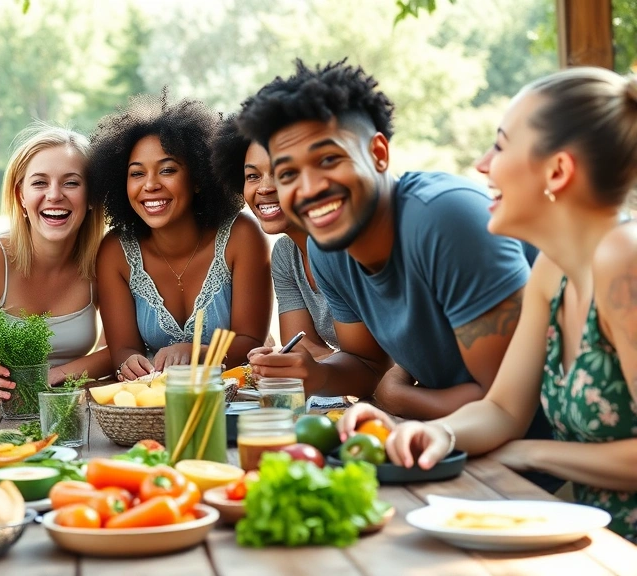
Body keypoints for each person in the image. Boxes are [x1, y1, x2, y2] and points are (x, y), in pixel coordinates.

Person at [342, 68, 637, 541]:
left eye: (500, 146)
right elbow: (502, 408)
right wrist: (443, 435)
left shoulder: (626, 260)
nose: (482, 164)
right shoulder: (552, 270)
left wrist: (530, 453)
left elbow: (517, 437)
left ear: (557, 171)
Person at [236, 60, 539, 424]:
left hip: (537, 458)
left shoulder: (446, 218)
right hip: (445, 438)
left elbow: (503, 405)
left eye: (328, 159)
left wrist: (396, 396)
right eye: (288, 173)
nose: (309, 187)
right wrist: (315, 375)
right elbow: (366, 362)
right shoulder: (326, 247)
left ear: (378, 154)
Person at [91, 95, 272, 380]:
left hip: (233, 398)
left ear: (199, 178)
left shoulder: (242, 235)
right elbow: (124, 348)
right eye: (136, 173)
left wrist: (197, 352)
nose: (150, 185)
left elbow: (251, 341)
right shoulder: (116, 250)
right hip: (153, 405)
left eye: (167, 170)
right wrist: (129, 363)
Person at [0, 124, 112, 403]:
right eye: (40, 182)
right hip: (0, 413)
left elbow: (118, 348)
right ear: (21, 196)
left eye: (71, 182)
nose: (54, 195)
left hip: (70, 408)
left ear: (90, 197)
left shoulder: (103, 258)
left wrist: (58, 374)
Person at [212, 115, 337, 359]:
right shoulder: (285, 255)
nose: (265, 188)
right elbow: (304, 347)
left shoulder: (347, 247)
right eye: (252, 176)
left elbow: (377, 357)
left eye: (282, 173)